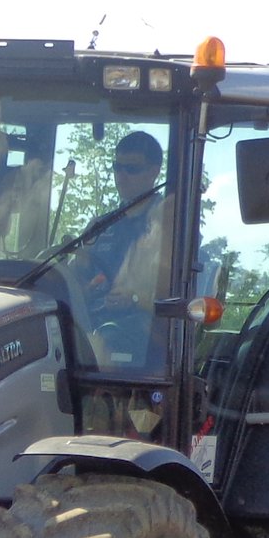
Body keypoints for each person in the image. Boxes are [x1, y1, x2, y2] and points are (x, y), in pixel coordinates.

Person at [82, 130, 170, 366]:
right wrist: (86, 290)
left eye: (131, 169)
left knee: (99, 346)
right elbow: (76, 277)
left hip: (146, 337)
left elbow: (179, 298)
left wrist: (134, 298)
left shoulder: (169, 225)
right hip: (93, 325)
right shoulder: (99, 226)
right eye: (117, 167)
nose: (121, 176)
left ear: (154, 172)